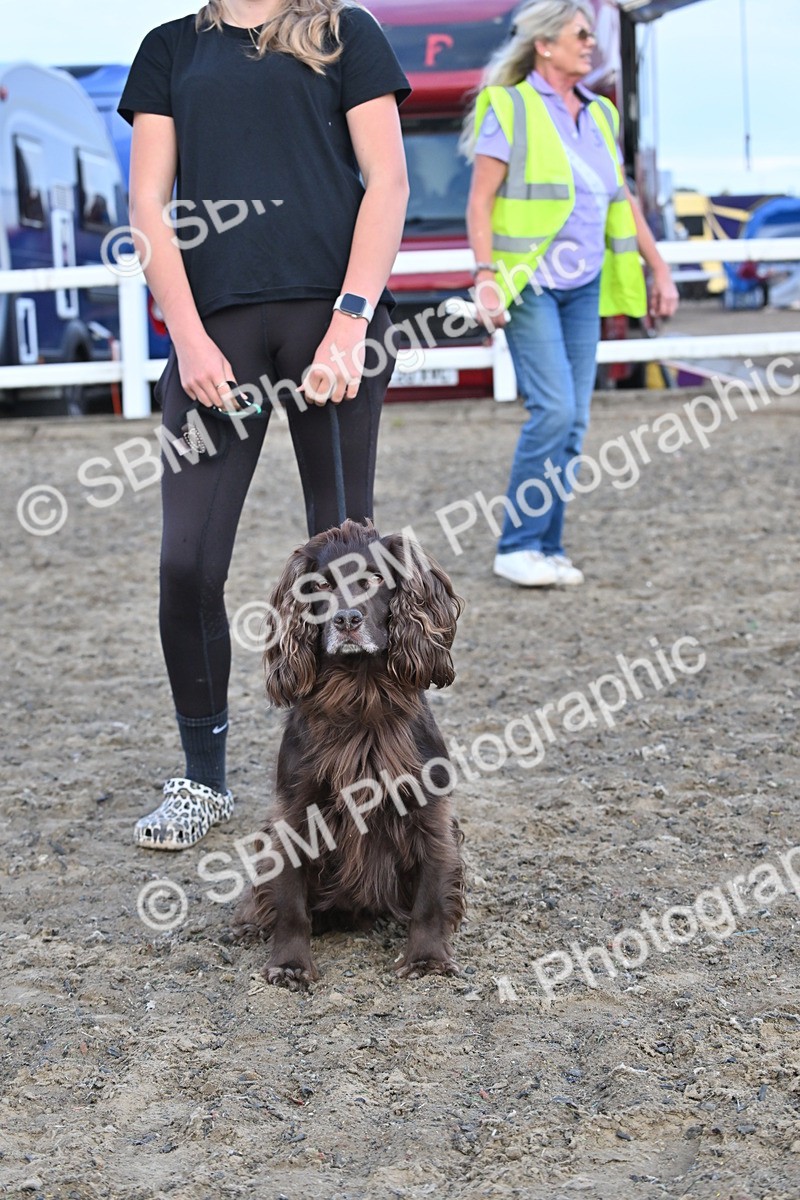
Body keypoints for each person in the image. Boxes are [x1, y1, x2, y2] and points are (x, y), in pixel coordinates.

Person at [118, 0, 410, 849]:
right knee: (187, 563)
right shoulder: (170, 48)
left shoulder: (346, 31)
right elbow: (148, 204)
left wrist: (352, 322)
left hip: (333, 319)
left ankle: (355, 768)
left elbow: (388, 182)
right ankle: (202, 781)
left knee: (346, 565)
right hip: (216, 329)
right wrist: (188, 337)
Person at [464, 0, 678, 588]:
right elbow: (480, 199)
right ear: (546, 44)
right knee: (553, 410)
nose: (590, 43)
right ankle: (516, 544)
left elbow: (622, 198)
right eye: (580, 34)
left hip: (584, 286)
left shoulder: (601, 113)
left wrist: (658, 268)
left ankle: (546, 547)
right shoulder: (508, 106)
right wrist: (485, 276)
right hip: (528, 281)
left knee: (575, 420)